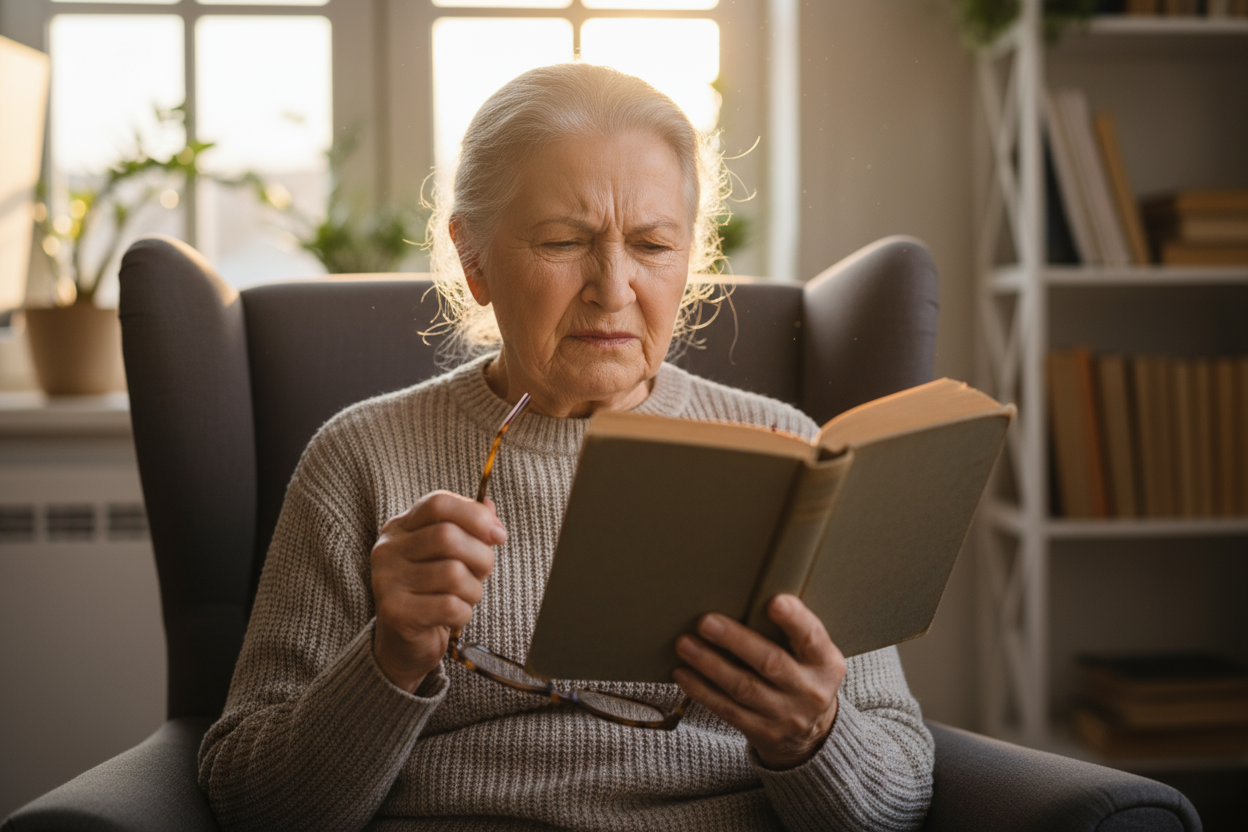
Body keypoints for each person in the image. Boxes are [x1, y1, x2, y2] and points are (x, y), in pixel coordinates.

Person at [197, 62, 934, 832]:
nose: (612, 288)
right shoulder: (360, 458)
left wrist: (811, 735)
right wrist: (390, 658)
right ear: (474, 260)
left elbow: (902, 794)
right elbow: (251, 804)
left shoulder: (786, 449)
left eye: (652, 244)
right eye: (562, 241)